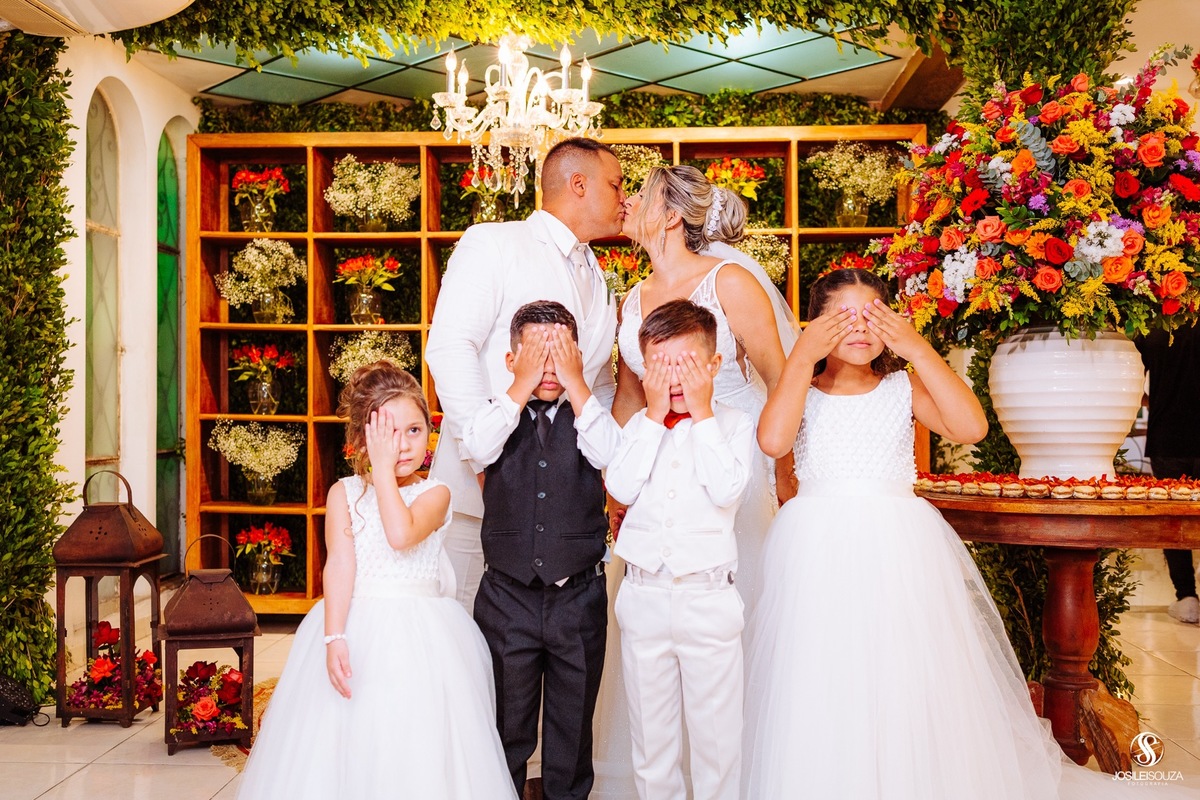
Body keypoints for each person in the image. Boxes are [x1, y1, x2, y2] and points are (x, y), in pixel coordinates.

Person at [743, 268, 1191, 798]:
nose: (860, 328)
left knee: (900, 665)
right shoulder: (804, 387)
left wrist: (918, 349)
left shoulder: (900, 386)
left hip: (897, 545)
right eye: (843, 317)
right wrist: (799, 355)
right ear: (816, 324)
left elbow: (970, 427)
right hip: (816, 546)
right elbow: (773, 442)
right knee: (820, 662)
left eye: (874, 315)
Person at [595, 165, 792, 797]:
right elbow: (628, 394)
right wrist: (615, 484)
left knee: (727, 633)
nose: (626, 201)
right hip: (650, 473)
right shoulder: (633, 296)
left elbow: (779, 375)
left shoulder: (728, 281)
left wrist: (785, 473)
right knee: (651, 643)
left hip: (726, 460)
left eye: (640, 194)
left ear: (672, 214)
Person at [237, 362, 515, 800]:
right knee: (346, 738)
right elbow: (340, 565)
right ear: (362, 439)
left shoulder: (437, 493)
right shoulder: (342, 493)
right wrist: (334, 636)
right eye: (388, 433)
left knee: (413, 741)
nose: (402, 445)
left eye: (414, 430)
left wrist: (383, 473)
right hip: (357, 626)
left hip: (425, 638)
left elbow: (400, 534)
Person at [426, 137, 625, 617]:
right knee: (464, 650)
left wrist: (612, 473)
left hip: (562, 511)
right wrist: (481, 455)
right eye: (617, 185)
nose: (626, 198)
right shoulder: (493, 242)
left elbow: (594, 383)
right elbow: (449, 346)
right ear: (579, 184)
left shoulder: (598, 274)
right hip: (479, 500)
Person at [463, 301, 622, 800]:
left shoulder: (590, 416)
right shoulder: (496, 414)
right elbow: (477, 448)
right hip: (506, 598)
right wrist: (518, 387)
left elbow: (614, 461)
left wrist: (578, 386)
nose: (547, 370)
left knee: (571, 732)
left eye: (559, 357)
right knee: (507, 726)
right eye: (535, 356)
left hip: (577, 597)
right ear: (511, 360)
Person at [606, 300, 754, 800]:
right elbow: (621, 488)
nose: (673, 379)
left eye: (687, 364)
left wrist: (705, 414)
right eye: (660, 366)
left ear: (713, 366)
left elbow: (727, 489)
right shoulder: (637, 429)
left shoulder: (732, 426)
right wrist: (649, 417)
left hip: (707, 600)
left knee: (717, 746)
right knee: (652, 746)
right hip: (644, 597)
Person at [1136, 326, 1200, 625]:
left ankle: (1187, 598)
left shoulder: (1152, 327)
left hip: (1167, 437)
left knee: (1175, 519)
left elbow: (1130, 382)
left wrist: (1157, 399)